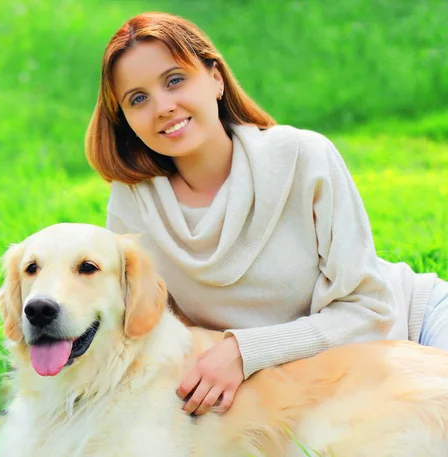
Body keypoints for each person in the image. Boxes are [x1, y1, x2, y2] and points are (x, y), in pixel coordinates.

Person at [84, 11, 448, 417]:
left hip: (410, 328)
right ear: (125, 119)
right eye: (138, 99)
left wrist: (244, 351)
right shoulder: (133, 202)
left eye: (174, 80)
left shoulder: (301, 157)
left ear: (216, 79)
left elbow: (371, 311)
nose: (163, 107)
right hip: (302, 387)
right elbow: (144, 329)